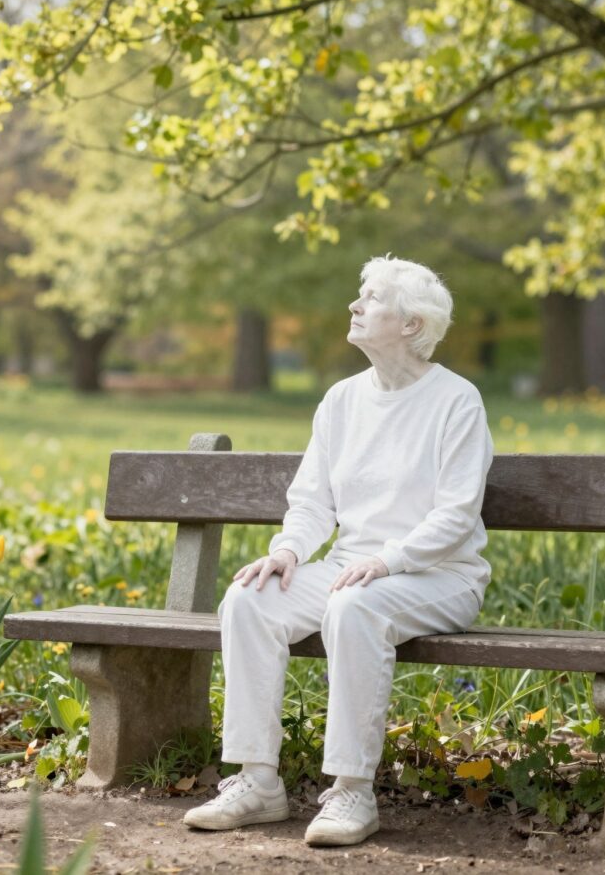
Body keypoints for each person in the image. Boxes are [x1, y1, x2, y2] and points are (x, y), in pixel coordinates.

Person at [183, 255, 494, 847]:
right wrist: (289, 552)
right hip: (353, 569)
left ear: (410, 324)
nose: (354, 306)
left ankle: (352, 791)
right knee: (249, 599)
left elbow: (455, 516)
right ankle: (256, 783)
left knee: (354, 608)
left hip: (439, 575)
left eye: (371, 297)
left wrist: (389, 560)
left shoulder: (457, 401)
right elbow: (312, 502)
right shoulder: (341, 400)